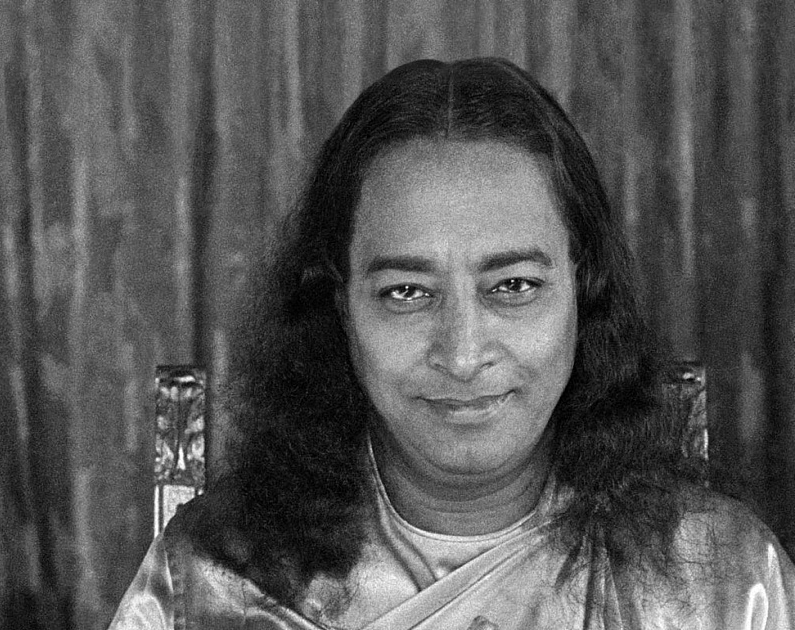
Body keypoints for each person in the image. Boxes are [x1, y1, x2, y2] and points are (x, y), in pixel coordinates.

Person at [107, 58, 795, 629]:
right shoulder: (214, 584)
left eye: (514, 286)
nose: (463, 356)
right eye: (406, 292)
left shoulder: (723, 587)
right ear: (339, 307)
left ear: (584, 293)